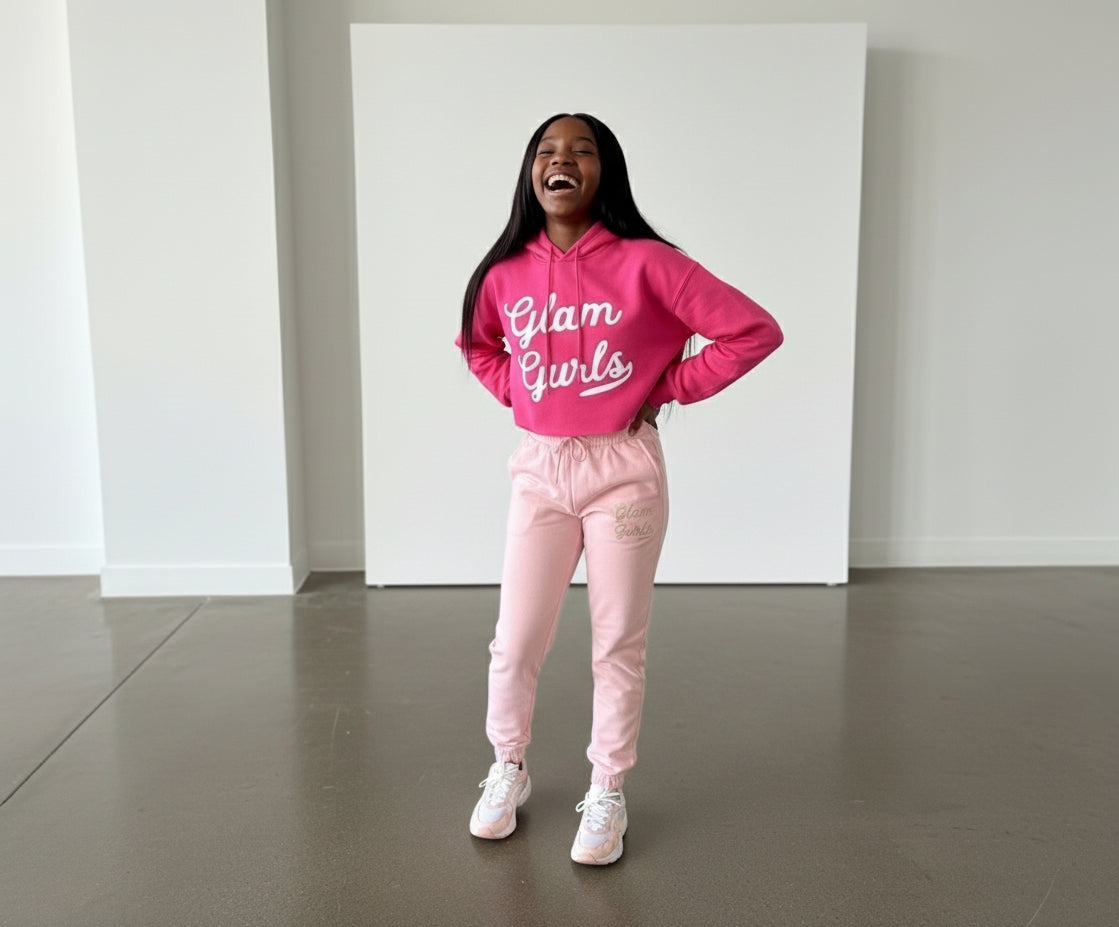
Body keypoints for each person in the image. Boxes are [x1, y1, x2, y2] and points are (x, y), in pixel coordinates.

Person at [456, 113, 783, 865]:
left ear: (605, 173)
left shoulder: (649, 263)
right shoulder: (503, 272)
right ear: (530, 173)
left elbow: (752, 331)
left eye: (580, 151)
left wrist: (664, 385)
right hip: (540, 467)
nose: (560, 161)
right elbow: (478, 345)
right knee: (515, 640)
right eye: (546, 151)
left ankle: (607, 787)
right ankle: (507, 766)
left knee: (616, 642)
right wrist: (525, 394)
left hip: (623, 471)